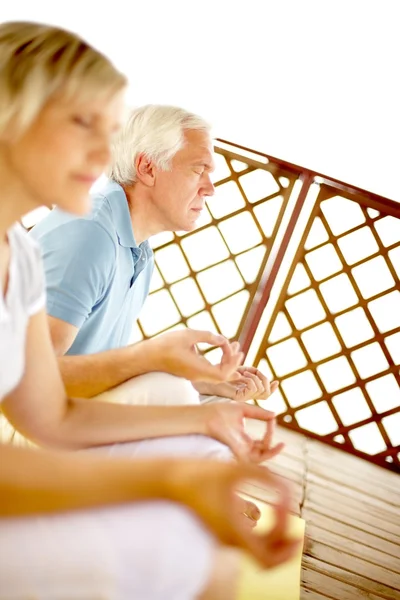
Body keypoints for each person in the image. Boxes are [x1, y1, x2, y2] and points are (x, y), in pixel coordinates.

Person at [0, 21, 299, 599]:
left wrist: (204, 415)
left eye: (111, 130)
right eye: (85, 124)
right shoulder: (86, 231)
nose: (104, 151)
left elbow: (52, 416)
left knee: (200, 553)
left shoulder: (23, 260)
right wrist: (167, 479)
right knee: (184, 556)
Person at [30, 104, 279, 406]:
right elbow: (25, 375)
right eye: (199, 169)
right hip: (20, 420)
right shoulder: (89, 235)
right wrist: (153, 362)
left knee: (212, 402)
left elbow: (93, 363)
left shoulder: (138, 252)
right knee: (174, 395)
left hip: (61, 410)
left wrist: (203, 380)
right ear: (148, 168)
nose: (211, 189)